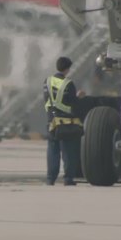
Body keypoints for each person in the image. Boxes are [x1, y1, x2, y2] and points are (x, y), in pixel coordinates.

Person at [43, 57, 86, 186]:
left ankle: (50, 179)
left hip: (51, 120)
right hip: (66, 122)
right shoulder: (68, 84)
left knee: (52, 151)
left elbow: (47, 99)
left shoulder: (47, 81)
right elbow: (73, 104)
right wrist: (79, 97)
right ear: (67, 69)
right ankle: (68, 179)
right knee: (68, 152)